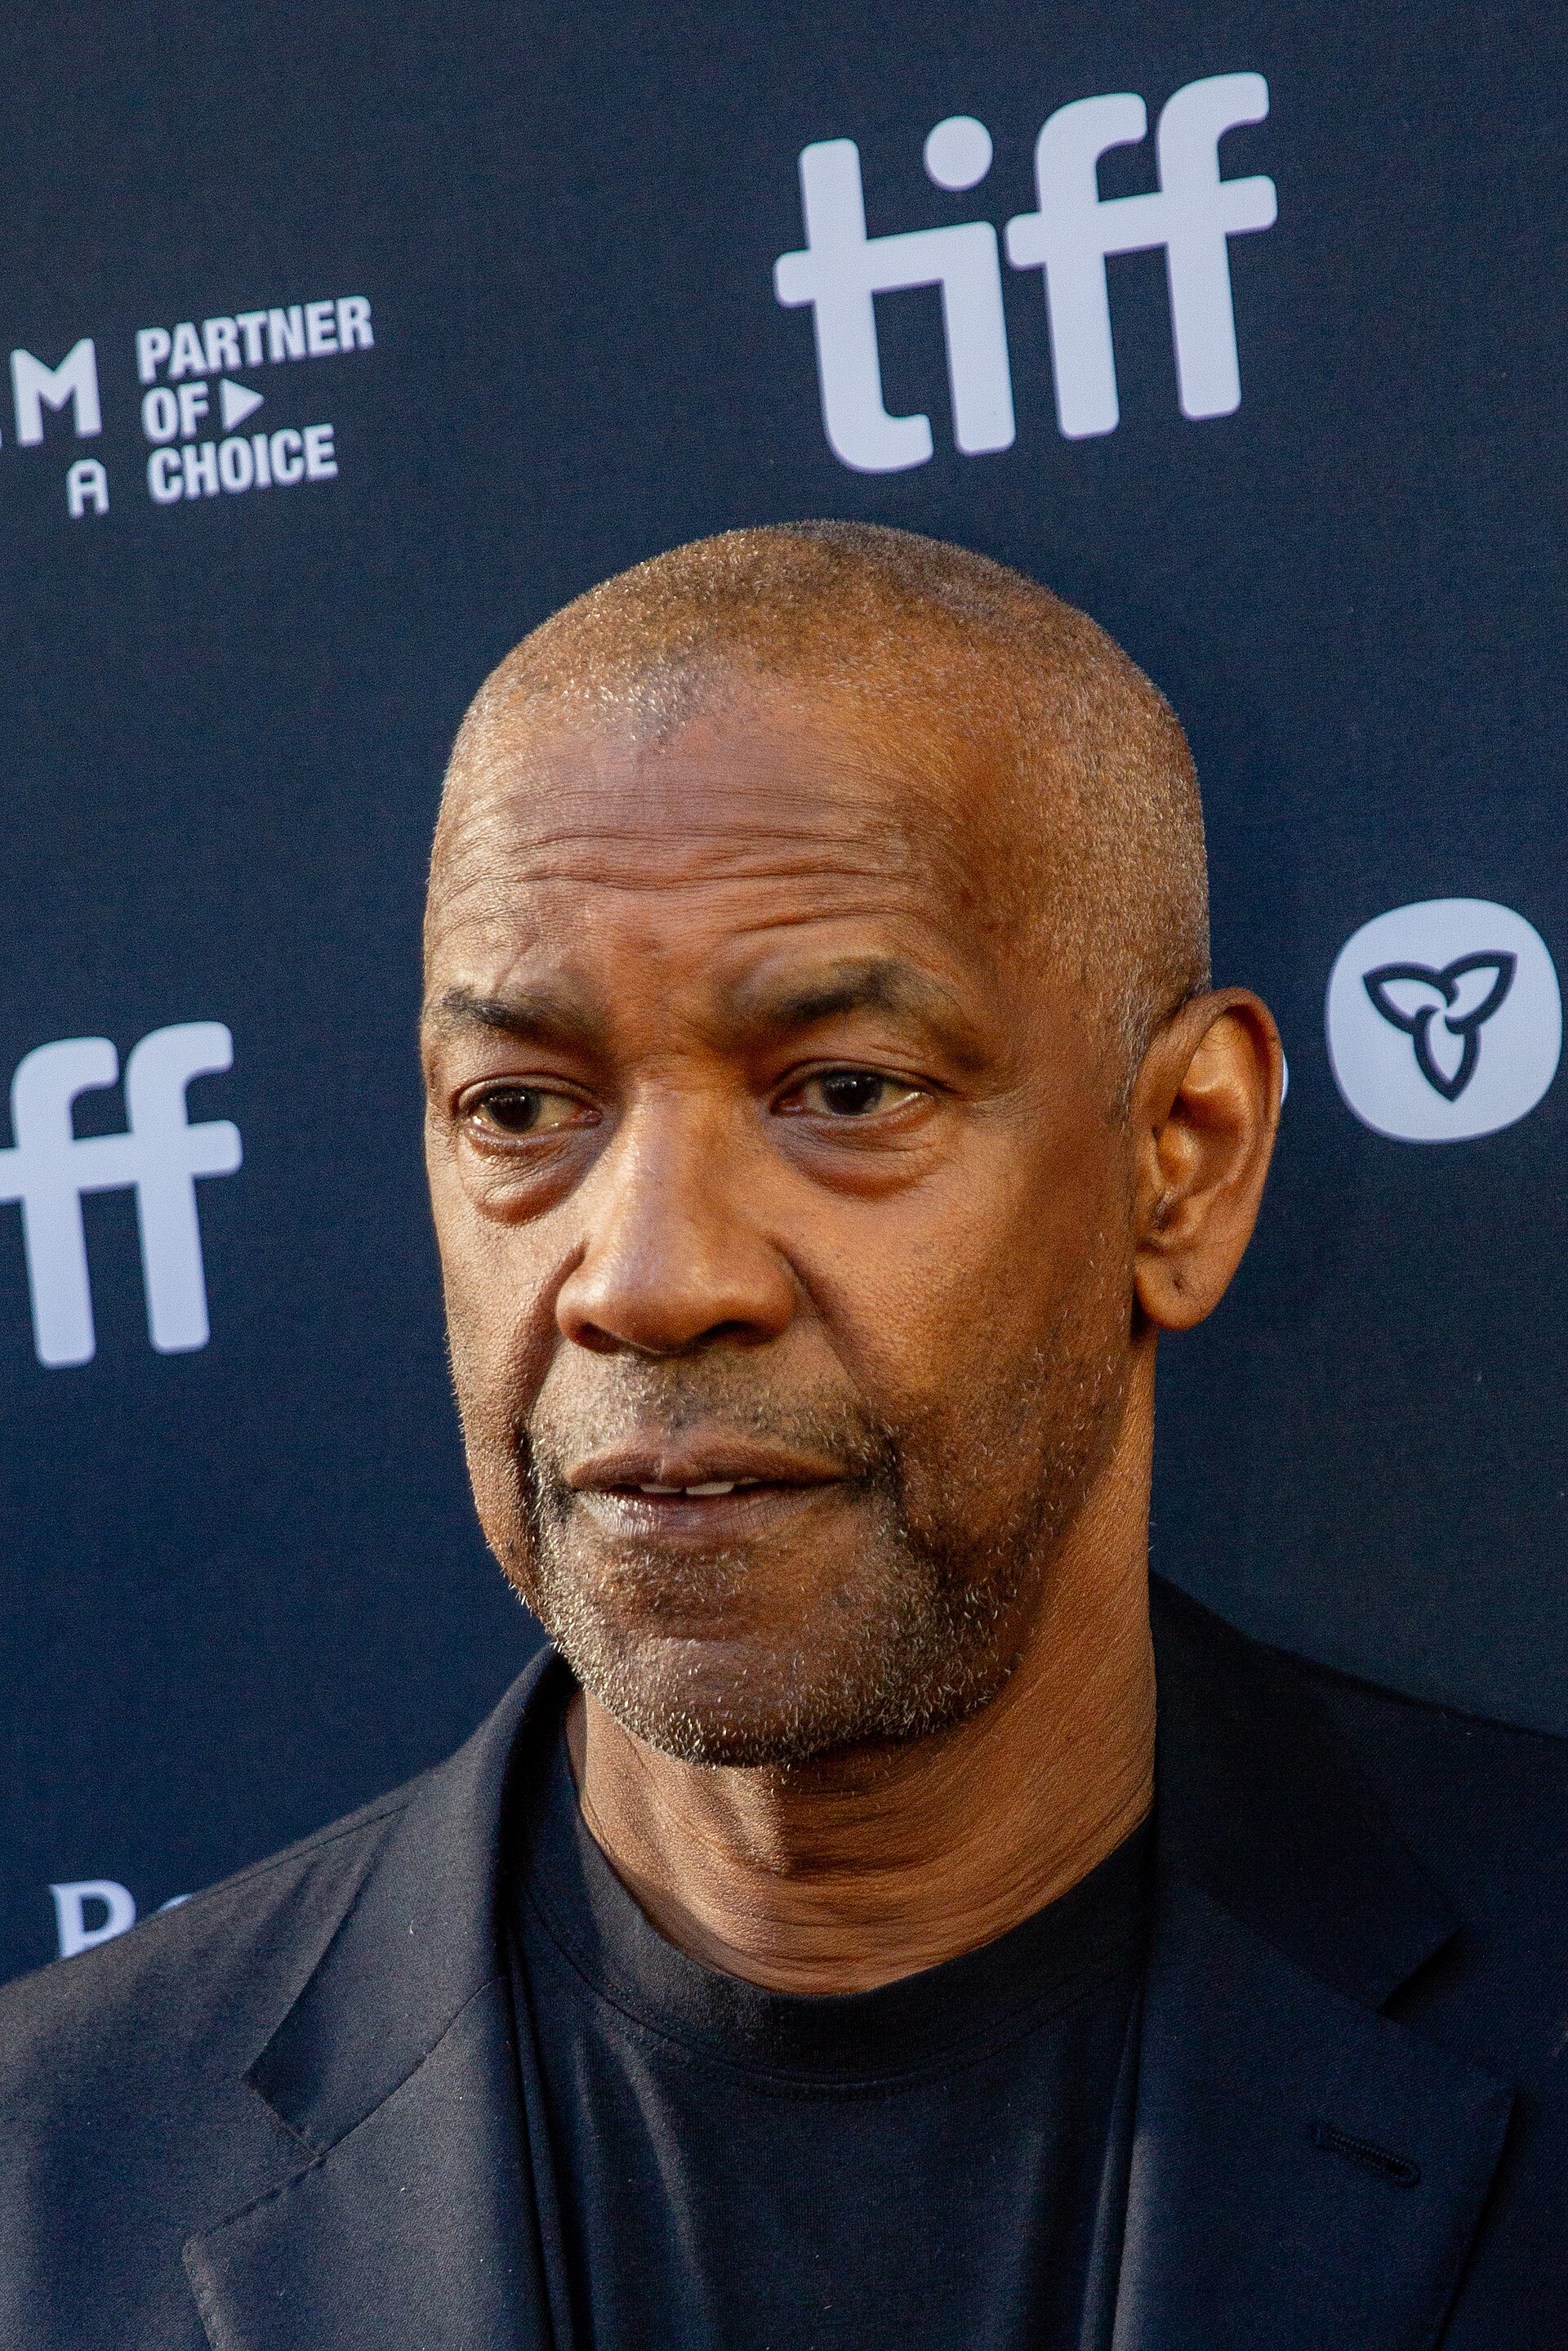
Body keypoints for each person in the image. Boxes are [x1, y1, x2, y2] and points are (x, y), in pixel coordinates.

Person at [1, 523, 1563, 2350]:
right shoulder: (52, 2189)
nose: (651, 1278)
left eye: (844, 1091)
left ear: (1183, 1159)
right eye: (521, 1107)